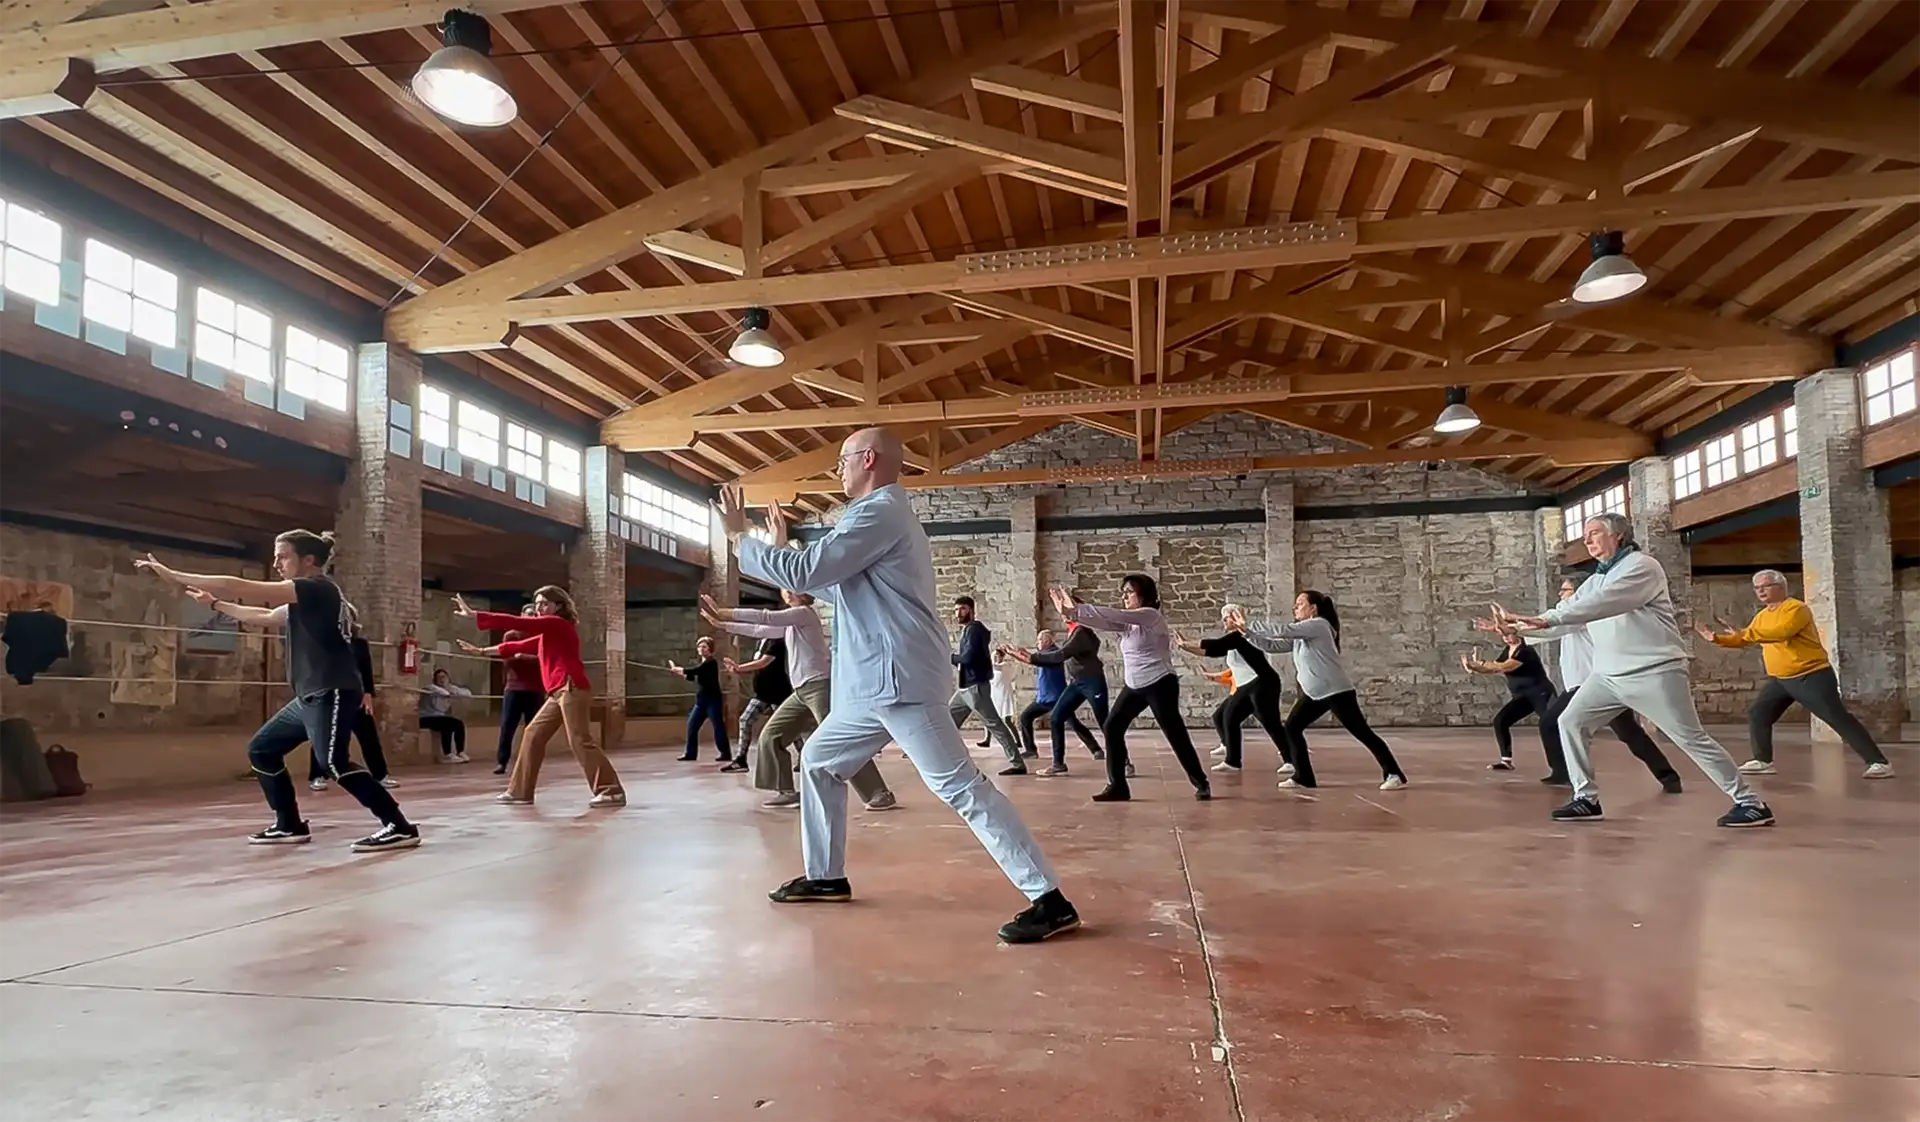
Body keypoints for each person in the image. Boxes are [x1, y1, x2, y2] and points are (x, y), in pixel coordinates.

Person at [719, 426, 1077, 944]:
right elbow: (819, 578)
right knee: (819, 762)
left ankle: (1049, 899)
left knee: (960, 787)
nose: (837, 470)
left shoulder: (879, 511)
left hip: (897, 679)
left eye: (841, 460)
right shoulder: (873, 518)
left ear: (867, 458)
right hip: (871, 685)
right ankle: (825, 878)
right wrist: (779, 554)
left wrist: (738, 538)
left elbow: (811, 566)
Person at [133, 531, 420, 851]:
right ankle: (289, 824)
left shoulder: (316, 588)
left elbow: (238, 585)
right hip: (310, 695)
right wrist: (214, 604)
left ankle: (399, 826)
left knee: (333, 763)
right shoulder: (305, 598)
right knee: (263, 749)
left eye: (282, 556)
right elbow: (266, 616)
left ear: (308, 560)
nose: (276, 563)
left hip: (332, 689)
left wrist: (173, 574)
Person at [1496, 512, 1774, 827]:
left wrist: (1548, 620)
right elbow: (1566, 614)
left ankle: (1750, 803)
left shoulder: (1642, 567)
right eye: (1585, 535)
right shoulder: (1596, 579)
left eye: (1595, 532)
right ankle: (1586, 799)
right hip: (1607, 676)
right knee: (1570, 721)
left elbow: (1608, 602)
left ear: (1618, 536)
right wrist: (1518, 629)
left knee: (1690, 738)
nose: (1587, 540)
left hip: (1653, 671)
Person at [1474, 576, 1683, 793]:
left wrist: (1514, 627)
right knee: (1628, 733)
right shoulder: (1573, 617)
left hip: (1590, 684)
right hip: (1591, 685)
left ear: (1579, 593)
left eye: (1565, 590)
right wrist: (1508, 628)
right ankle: (1668, 777)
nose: (1560, 594)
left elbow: (1552, 628)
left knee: (1552, 722)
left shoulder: (1582, 615)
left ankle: (1565, 774)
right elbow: (1549, 627)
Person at [702, 590, 897, 811]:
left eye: (786, 587)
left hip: (819, 688)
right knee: (771, 736)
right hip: (801, 692)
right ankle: (786, 792)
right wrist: (721, 625)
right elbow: (758, 629)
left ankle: (878, 793)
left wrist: (724, 612)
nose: (783, 592)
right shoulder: (790, 624)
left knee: (840, 740)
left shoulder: (804, 614)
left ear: (799, 593)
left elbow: (765, 617)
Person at [1700, 568, 1895, 779]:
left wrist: (1746, 632)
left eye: (1765, 586)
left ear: (1780, 586)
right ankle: (1763, 760)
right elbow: (1746, 639)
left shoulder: (1796, 608)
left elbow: (1782, 632)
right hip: (1780, 680)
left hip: (1810, 675)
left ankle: (1879, 763)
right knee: (1759, 713)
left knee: (1836, 718)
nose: (1761, 591)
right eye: (1757, 588)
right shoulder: (1762, 615)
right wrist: (1717, 639)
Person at [454, 586, 625, 808]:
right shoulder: (547, 634)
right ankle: (520, 792)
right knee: (533, 734)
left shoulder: (558, 624)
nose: (539, 607)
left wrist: (476, 615)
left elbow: (521, 623)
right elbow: (518, 645)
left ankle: (610, 790)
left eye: (544, 603)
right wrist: (482, 651)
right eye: (536, 603)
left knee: (579, 739)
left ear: (558, 606)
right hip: (557, 692)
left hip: (570, 686)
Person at [1056, 577, 1212, 803]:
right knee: (1112, 726)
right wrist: (1073, 614)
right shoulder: (1128, 623)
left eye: (1129, 592)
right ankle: (1118, 786)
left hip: (1160, 682)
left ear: (1143, 594)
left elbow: (1115, 614)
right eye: (1123, 592)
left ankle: (1201, 783)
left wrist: (1078, 608)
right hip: (1135, 685)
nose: (1124, 596)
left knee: (1174, 733)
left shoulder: (1150, 616)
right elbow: (1103, 622)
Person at [1243, 591, 1408, 791]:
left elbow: (1281, 630)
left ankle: (1393, 773)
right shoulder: (1302, 633)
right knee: (1292, 727)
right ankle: (1303, 777)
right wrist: (1246, 633)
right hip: (1315, 694)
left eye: (1300, 604)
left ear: (1314, 608)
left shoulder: (1319, 624)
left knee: (1362, 733)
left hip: (1336, 691)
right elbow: (1271, 645)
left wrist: (1247, 623)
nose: (1296, 608)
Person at [1178, 603, 1290, 773]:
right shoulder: (1234, 639)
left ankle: (1291, 760)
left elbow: (1215, 644)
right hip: (1251, 685)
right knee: (1228, 716)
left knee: (1269, 722)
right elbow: (1213, 651)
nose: (1223, 622)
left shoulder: (1241, 635)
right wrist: (1186, 647)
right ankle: (1232, 760)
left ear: (1235, 616)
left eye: (1225, 618)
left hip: (1263, 683)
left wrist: (1188, 642)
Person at [1008, 614, 1110, 777]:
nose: (1063, 616)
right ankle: (1058, 764)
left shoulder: (1081, 632)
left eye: (1066, 612)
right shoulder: (1073, 633)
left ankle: (1123, 761)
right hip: (1075, 684)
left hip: (1091, 682)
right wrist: (1027, 657)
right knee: (1055, 718)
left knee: (1105, 722)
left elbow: (1059, 656)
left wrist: (1031, 657)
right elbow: (1050, 658)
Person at [305, 608, 396, 791]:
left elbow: (365, 669)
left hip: (356, 696)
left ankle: (380, 774)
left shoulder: (359, 644)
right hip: (332, 697)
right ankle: (318, 775)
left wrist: (368, 693)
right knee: (325, 737)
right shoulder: (325, 641)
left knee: (369, 736)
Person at [1459, 624, 1559, 774]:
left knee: (1551, 727)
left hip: (1540, 693)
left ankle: (1561, 767)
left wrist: (1480, 663)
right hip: (1523, 697)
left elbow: (1506, 667)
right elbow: (1494, 668)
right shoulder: (1508, 651)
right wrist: (1473, 667)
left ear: (1518, 634)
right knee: (1501, 721)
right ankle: (1506, 761)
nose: (1505, 637)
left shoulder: (1525, 651)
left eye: (1508, 634)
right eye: (1503, 635)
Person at [949, 596, 1025, 775]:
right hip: (965, 687)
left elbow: (968, 658)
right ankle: (942, 759)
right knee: (947, 721)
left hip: (975, 687)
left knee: (995, 725)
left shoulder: (974, 630)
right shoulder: (969, 630)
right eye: (956, 610)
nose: (958, 613)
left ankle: (1017, 763)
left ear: (972, 610)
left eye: (962, 609)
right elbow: (966, 659)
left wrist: (950, 657)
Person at [721, 631, 789, 774]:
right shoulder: (761, 642)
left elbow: (763, 662)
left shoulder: (777, 642)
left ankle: (802, 754)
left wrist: (740, 668)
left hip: (777, 692)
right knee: (745, 720)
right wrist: (738, 670)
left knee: (789, 724)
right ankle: (741, 760)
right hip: (762, 694)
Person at [494, 604, 545, 776]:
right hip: (514, 687)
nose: (531, 617)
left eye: (534, 615)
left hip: (536, 688)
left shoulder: (541, 636)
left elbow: (543, 661)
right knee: (507, 726)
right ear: (522, 615)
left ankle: (530, 761)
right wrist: (528, 658)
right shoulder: (511, 635)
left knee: (534, 729)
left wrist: (522, 656)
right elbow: (508, 659)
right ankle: (502, 762)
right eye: (528, 614)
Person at [670, 637, 731, 763]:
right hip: (701, 701)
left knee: (718, 726)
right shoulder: (703, 664)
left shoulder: (711, 663)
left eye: (704, 647)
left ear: (710, 649)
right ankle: (690, 754)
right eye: (699, 646)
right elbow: (693, 677)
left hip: (713, 701)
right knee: (692, 725)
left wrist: (681, 669)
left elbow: (695, 671)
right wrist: (681, 673)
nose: (701, 649)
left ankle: (725, 753)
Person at [418, 667, 472, 763]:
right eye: (439, 678)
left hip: (439, 717)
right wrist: (448, 692)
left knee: (458, 724)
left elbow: (467, 693)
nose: (442, 680)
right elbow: (440, 692)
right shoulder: (431, 688)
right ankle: (447, 754)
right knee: (446, 724)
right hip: (426, 717)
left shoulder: (450, 688)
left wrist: (452, 690)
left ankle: (460, 751)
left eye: (444, 677)